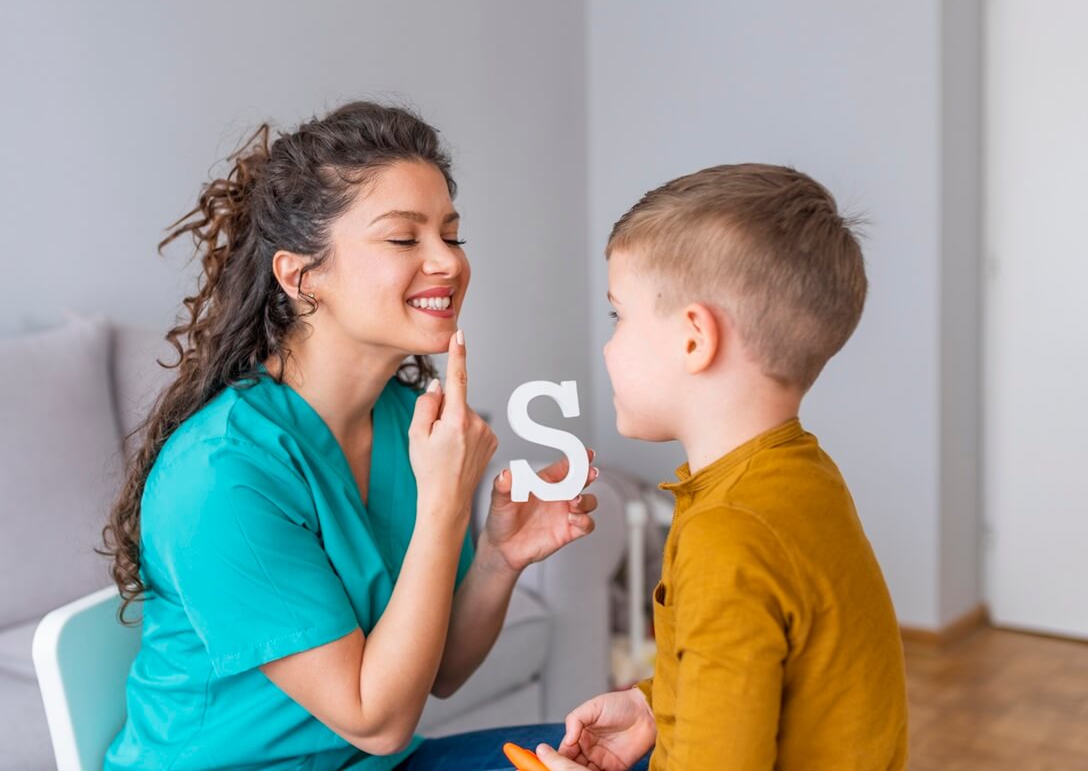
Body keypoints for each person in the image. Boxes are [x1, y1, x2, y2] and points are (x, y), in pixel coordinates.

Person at [101, 101, 601, 770]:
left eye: (451, 236)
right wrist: (444, 506)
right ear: (301, 276)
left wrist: (498, 560)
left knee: (638, 752)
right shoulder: (222, 473)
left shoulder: (405, 421)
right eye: (404, 239)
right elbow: (378, 719)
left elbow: (439, 667)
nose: (447, 263)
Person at [535, 164, 908, 771]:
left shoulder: (728, 535)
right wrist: (655, 706)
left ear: (693, 339)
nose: (608, 345)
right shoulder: (802, 476)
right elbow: (766, 677)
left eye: (619, 317)